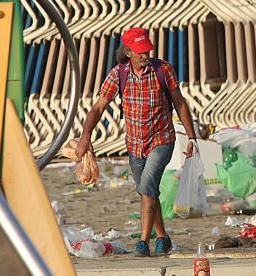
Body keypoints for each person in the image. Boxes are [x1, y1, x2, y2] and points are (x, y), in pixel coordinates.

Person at [76, 27, 198, 257]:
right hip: (134, 144)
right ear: (129, 52)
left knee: (148, 186)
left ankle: (143, 241)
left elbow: (179, 103)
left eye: (147, 50)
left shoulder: (163, 70)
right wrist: (85, 137)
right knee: (147, 192)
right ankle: (162, 236)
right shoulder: (118, 75)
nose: (145, 55)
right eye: (140, 51)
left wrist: (192, 136)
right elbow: (98, 108)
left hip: (162, 139)